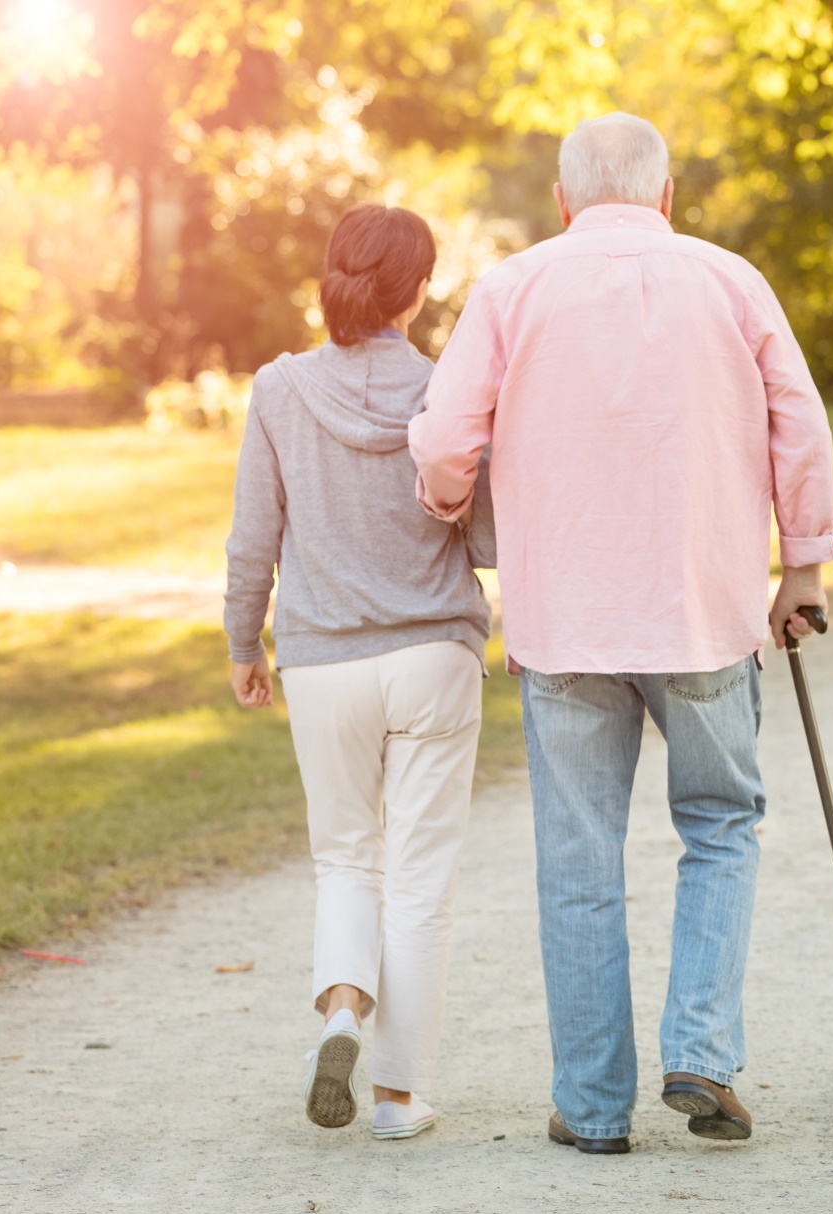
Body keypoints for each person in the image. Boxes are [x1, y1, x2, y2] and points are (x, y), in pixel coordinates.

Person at [410, 111, 833, 1155]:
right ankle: (698, 1047)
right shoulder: (730, 280)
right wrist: (803, 564)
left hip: (566, 622)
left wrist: (449, 502)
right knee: (721, 824)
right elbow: (801, 419)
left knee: (576, 859)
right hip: (704, 611)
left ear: (562, 203)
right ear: (666, 193)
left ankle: (594, 1108)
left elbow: (442, 440)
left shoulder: (512, 287)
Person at [224, 204, 495, 1142]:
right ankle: (397, 1096)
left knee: (345, 854)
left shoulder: (279, 389)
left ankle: (342, 1008)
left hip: (322, 658)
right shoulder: (447, 392)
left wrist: (240, 643)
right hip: (435, 657)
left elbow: (254, 534)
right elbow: (489, 535)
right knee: (420, 878)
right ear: (418, 293)